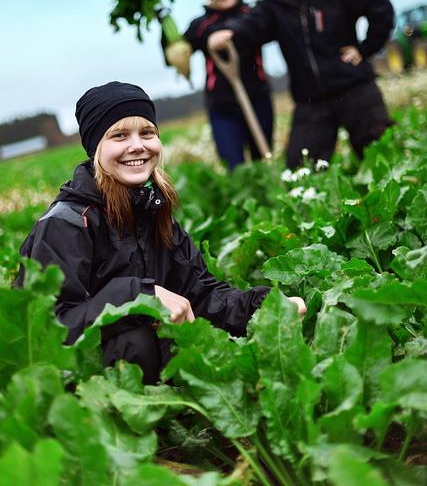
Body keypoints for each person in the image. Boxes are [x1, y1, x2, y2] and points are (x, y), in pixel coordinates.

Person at [17, 81, 306, 384]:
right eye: (119, 135)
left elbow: (203, 294)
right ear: (96, 148)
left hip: (141, 377)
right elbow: (49, 331)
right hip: (72, 386)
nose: (137, 145)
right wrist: (141, 296)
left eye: (147, 133)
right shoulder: (67, 225)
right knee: (136, 341)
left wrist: (265, 308)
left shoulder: (152, 210)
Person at [207, 0, 395, 168]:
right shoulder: (275, 1)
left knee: (381, 159)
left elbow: (380, 5)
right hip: (311, 100)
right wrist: (230, 32)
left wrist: (365, 48)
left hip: (354, 88)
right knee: (300, 170)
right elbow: (253, 25)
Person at [164, 0, 274, 170]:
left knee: (263, 160)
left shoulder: (251, 14)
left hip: (258, 98)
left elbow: (264, 30)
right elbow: (176, 57)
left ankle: (267, 197)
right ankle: (242, 200)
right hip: (222, 106)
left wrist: (228, 33)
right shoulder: (200, 25)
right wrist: (164, 29)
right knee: (234, 166)